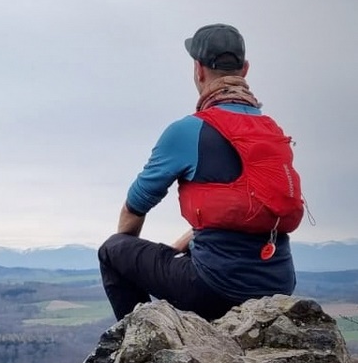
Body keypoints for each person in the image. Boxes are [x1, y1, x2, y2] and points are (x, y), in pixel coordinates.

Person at [98, 23, 303, 322]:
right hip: (279, 285)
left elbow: (134, 208)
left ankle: (141, 343)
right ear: (244, 69)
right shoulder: (271, 131)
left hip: (216, 290)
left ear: (198, 69)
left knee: (112, 250)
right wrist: (186, 243)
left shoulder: (189, 131)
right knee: (201, 252)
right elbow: (241, 210)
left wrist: (131, 262)